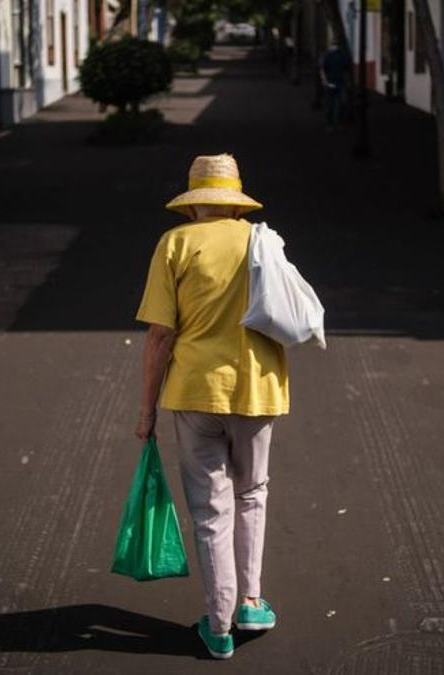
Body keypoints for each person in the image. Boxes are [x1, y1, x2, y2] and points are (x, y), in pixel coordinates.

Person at [134, 154, 289, 660]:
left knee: (210, 510)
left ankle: (218, 627)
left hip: (195, 393)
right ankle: (250, 601)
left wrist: (147, 411)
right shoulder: (260, 240)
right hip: (258, 389)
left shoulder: (174, 244)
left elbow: (160, 335)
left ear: (194, 201)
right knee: (252, 493)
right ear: (235, 199)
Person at [319, 40, 349, 132]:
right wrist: (324, 80)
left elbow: (345, 68)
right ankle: (331, 123)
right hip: (333, 82)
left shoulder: (338, 55)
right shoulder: (327, 55)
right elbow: (322, 69)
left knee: (338, 103)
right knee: (333, 103)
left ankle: (335, 123)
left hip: (338, 82)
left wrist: (324, 80)